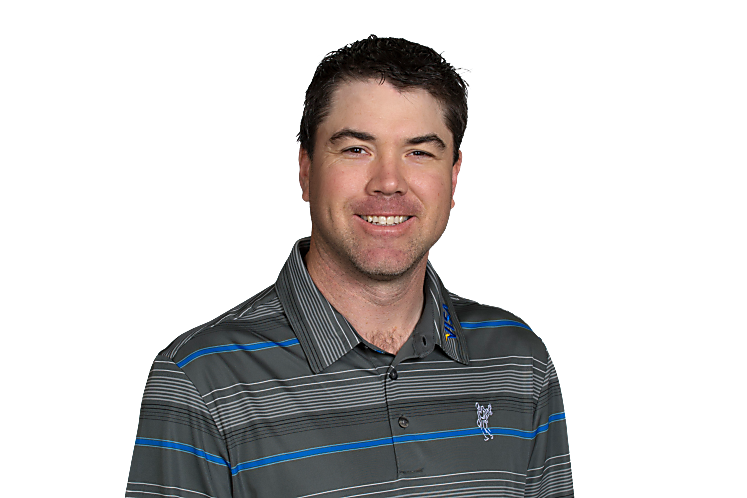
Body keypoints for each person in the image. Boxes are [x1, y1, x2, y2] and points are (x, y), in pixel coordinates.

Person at [126, 34, 575, 498]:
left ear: (454, 175)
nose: (389, 182)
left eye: (420, 152)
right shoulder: (200, 379)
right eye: (357, 149)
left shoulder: (519, 362)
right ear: (305, 169)